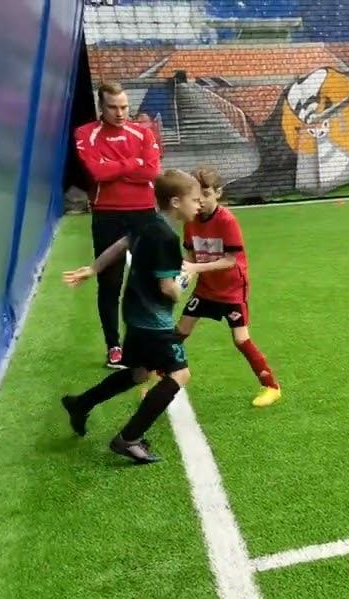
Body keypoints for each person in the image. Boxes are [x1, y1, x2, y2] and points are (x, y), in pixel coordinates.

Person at [59, 170, 201, 465]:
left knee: (140, 372)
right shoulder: (166, 237)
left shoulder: (147, 222)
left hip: (134, 314)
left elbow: (122, 244)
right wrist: (182, 284)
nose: (199, 205)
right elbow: (168, 289)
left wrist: (94, 268)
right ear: (176, 202)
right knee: (179, 374)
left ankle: (80, 403)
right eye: (195, 200)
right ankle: (129, 438)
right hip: (154, 323)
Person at [73, 81, 162, 368]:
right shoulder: (85, 133)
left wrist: (115, 166)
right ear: (101, 106)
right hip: (107, 215)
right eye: (113, 107)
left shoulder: (143, 132)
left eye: (124, 106)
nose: (120, 113)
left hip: (144, 213)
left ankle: (151, 340)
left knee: (151, 280)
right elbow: (96, 172)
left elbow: (152, 171)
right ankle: (114, 346)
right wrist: (133, 162)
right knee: (110, 282)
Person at [179, 167, 282, 408]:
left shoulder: (227, 221)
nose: (201, 201)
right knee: (179, 332)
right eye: (196, 196)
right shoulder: (191, 220)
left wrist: (195, 268)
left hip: (231, 290)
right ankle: (163, 377)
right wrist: (183, 278)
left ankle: (271, 386)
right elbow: (191, 255)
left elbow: (230, 260)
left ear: (218, 193)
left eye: (206, 194)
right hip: (205, 288)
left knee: (240, 339)